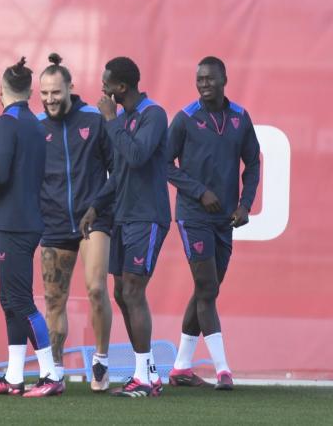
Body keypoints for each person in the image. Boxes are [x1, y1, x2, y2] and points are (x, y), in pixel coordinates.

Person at [0, 57, 63, 397]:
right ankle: (14, 376)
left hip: (17, 225)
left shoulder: (6, 123)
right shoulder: (36, 124)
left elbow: (1, 173)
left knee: (20, 301)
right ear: (31, 91)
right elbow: (18, 177)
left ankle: (51, 375)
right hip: (22, 218)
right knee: (10, 300)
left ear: (1, 90)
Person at [166, 56, 260, 390]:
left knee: (208, 289)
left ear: (224, 80)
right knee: (207, 288)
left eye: (209, 79)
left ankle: (179, 367)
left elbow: (252, 163)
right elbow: (164, 164)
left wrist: (245, 204)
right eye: (199, 79)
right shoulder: (186, 118)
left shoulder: (239, 118)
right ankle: (223, 370)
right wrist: (198, 191)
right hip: (193, 216)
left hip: (224, 220)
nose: (203, 84)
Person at [80, 57, 171, 397]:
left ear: (121, 87)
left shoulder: (153, 115)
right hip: (123, 216)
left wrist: (109, 120)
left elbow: (136, 156)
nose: (102, 89)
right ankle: (146, 371)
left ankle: (144, 378)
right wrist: (95, 206)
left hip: (148, 217)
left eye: (106, 83)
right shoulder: (125, 119)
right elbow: (119, 172)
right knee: (120, 292)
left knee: (133, 290)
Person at [36, 53, 114, 392]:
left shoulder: (94, 120)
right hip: (52, 223)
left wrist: (97, 205)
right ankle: (55, 371)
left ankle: (101, 361)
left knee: (96, 288)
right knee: (54, 301)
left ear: (70, 87)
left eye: (56, 92)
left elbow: (117, 170)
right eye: (45, 94)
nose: (51, 99)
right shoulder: (36, 128)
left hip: (92, 219)